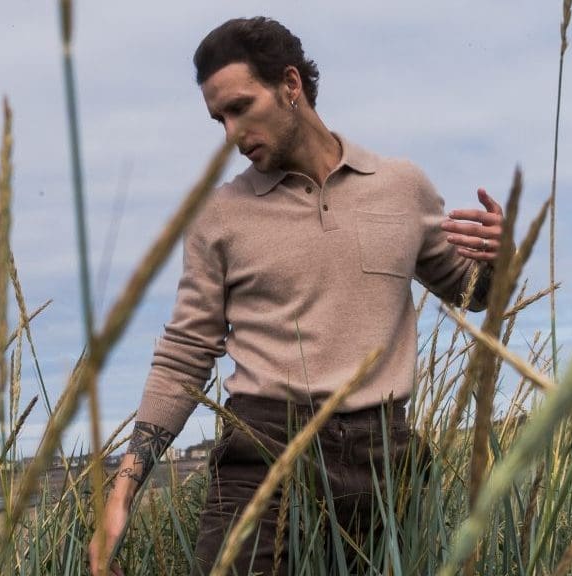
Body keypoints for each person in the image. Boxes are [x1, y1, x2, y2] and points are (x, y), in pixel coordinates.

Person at [89, 16, 505, 575]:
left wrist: (500, 259)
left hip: (382, 462)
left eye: (240, 107)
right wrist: (123, 492)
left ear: (291, 85)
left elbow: (471, 294)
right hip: (261, 458)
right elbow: (185, 354)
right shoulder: (219, 215)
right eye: (219, 119)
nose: (232, 133)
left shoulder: (402, 186)